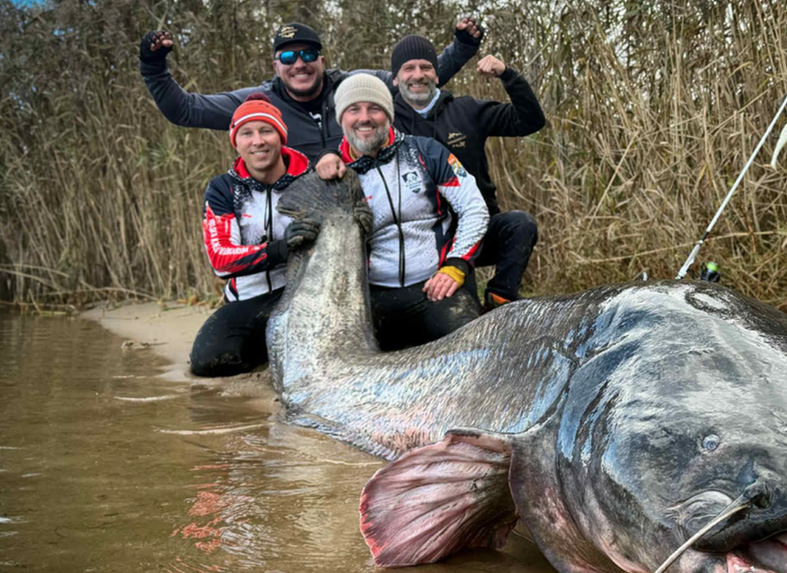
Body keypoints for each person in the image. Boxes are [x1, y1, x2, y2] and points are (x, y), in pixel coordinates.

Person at [319, 35, 545, 311]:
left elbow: (531, 121)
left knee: (520, 225)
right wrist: (328, 154)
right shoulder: (384, 120)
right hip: (424, 237)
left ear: (437, 75)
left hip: (471, 225)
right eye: (408, 68)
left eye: (426, 67)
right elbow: (352, 134)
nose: (418, 75)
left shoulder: (467, 110)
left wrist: (507, 75)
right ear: (394, 79)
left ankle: (500, 299)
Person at [138, 21, 483, 162]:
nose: (299, 63)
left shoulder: (355, 86)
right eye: (288, 56)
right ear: (276, 66)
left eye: (307, 54)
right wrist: (154, 66)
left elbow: (414, 82)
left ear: (322, 59)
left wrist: (463, 46)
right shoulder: (259, 102)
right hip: (301, 218)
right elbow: (184, 111)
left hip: (367, 208)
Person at [330, 73, 490, 349]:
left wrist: (456, 265)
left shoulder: (426, 151)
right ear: (341, 118)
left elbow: (474, 207)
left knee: (471, 347)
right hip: (371, 296)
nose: (364, 118)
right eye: (353, 109)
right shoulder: (332, 174)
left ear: (389, 114)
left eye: (375, 108)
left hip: (434, 286)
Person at [189, 93, 316, 377]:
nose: (257, 141)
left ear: (281, 137)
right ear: (236, 143)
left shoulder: (309, 180)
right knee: (207, 361)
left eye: (266, 131)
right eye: (246, 133)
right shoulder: (223, 188)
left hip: (300, 297)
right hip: (247, 300)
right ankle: (265, 355)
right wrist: (280, 249)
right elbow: (220, 259)